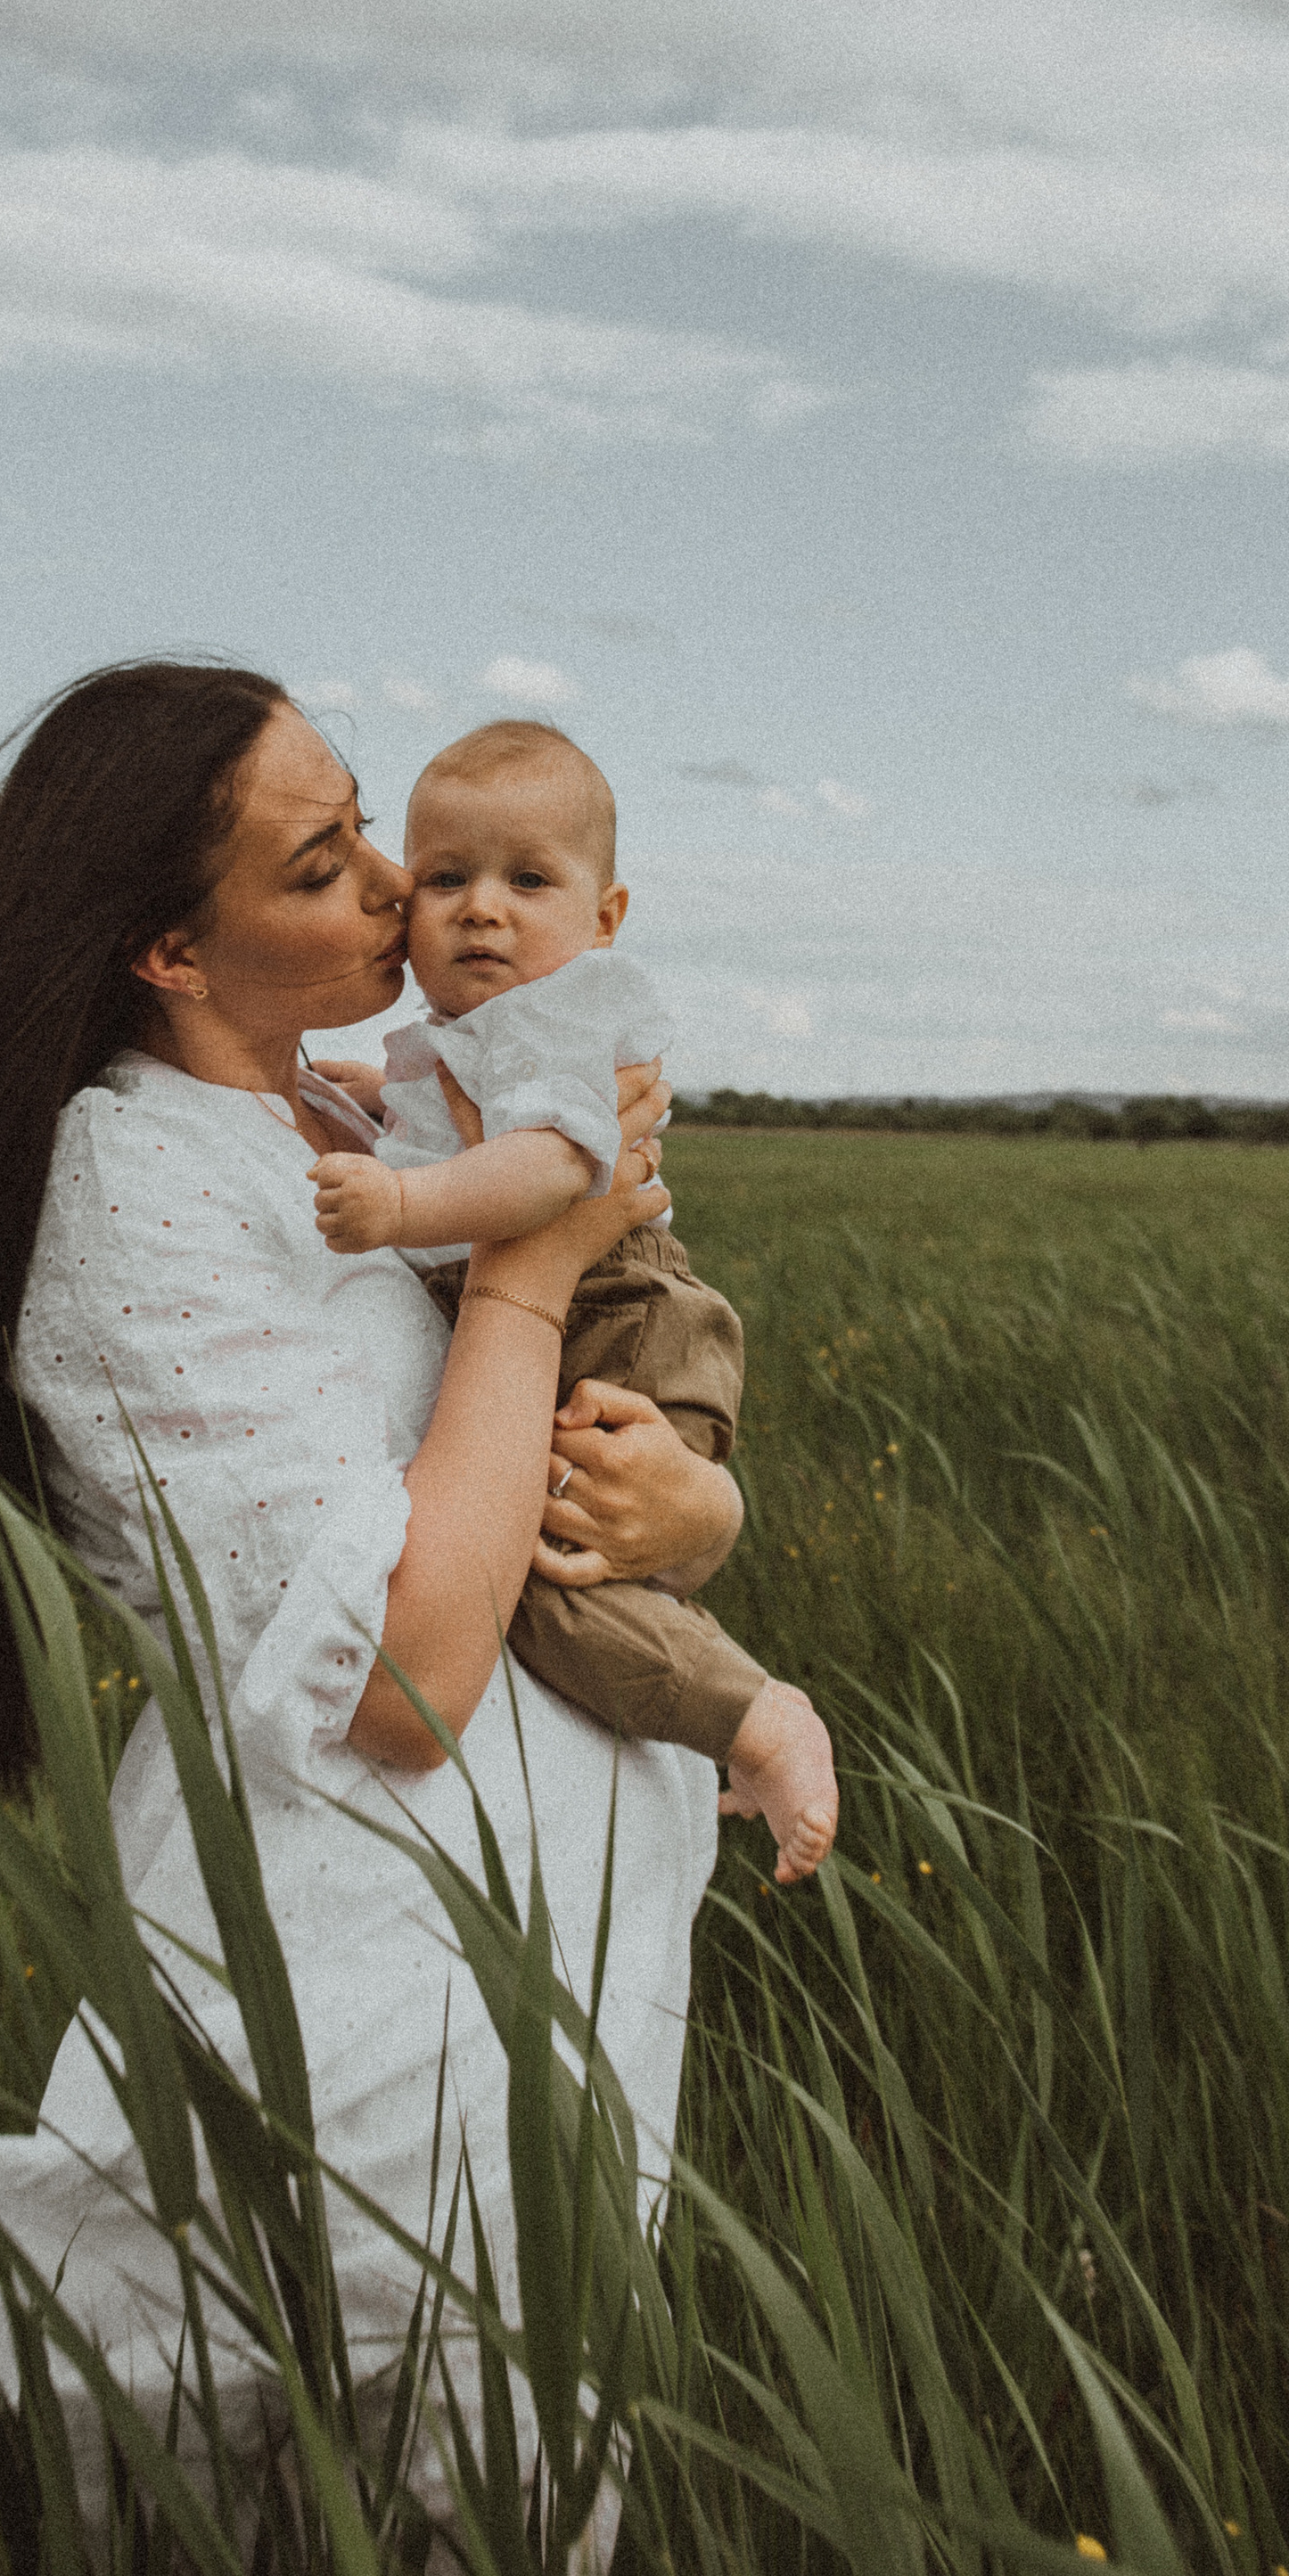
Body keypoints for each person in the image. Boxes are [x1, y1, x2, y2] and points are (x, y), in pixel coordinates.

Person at [0, 662, 770, 2576]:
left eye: (369, 823)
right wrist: (537, 1255)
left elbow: (555, 1439)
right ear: (173, 949)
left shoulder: (351, 1117)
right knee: (341, 2564)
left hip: (533, 1968)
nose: (393, 886)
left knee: (488, 2547)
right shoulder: (133, 1197)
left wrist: (687, 1521)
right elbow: (406, 1680)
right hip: (364, 1980)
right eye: (323, 857)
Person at [308, 716, 837, 1879]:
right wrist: (373, 1108)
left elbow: (552, 1168)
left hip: (618, 1310)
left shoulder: (557, 1014)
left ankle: (751, 1721)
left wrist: (403, 1209)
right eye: (445, 877)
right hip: (605, 1314)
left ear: (606, 921)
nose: (480, 908)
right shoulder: (477, 1029)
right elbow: (451, 1117)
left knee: (545, 1572)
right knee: (579, 1547)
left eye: (527, 879)